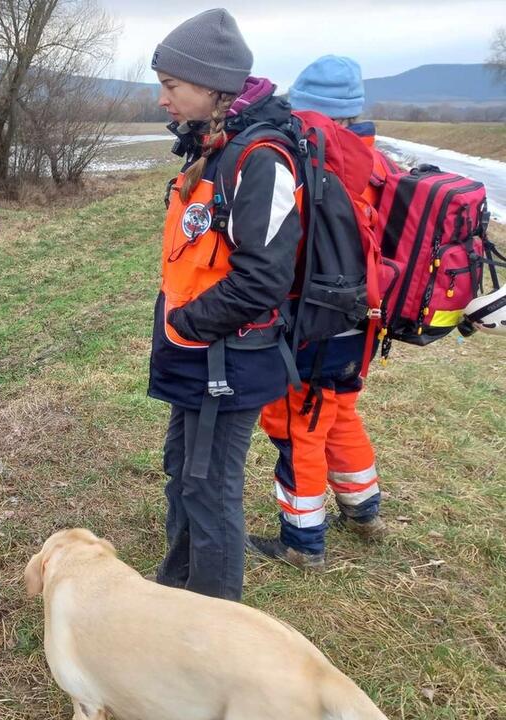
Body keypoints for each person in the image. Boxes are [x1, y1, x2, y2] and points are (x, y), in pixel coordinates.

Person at [148, 8, 302, 601]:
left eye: (171, 86)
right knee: (184, 476)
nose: (162, 99)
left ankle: (214, 625)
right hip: (199, 353)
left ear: (213, 88)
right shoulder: (213, 145)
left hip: (229, 359)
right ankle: (175, 589)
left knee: (211, 490)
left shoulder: (259, 158)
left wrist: (185, 324)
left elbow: (262, 279)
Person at [247, 56, 389, 571]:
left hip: (317, 323)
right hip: (363, 323)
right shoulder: (375, 163)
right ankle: (363, 510)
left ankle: (302, 543)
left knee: (298, 424)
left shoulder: (313, 160)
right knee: (339, 412)